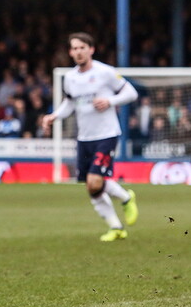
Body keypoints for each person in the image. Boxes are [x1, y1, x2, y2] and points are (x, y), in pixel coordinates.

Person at [42, 32, 139, 242]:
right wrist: (54, 116)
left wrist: (110, 101)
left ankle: (125, 197)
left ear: (91, 49)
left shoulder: (105, 72)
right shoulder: (70, 78)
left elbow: (131, 93)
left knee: (95, 182)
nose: (78, 52)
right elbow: (70, 103)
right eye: (74, 48)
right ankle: (116, 227)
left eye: (82, 47)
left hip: (107, 134)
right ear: (70, 52)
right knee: (91, 186)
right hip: (84, 137)